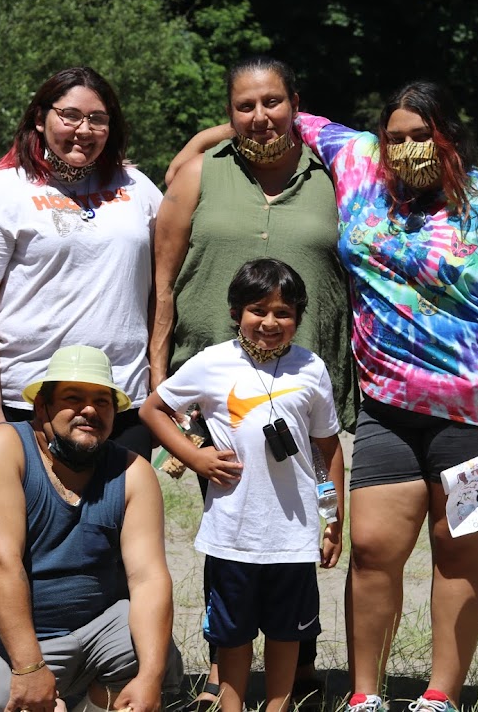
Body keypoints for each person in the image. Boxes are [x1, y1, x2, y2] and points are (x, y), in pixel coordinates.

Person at [175, 81, 478, 712]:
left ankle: (441, 694)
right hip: (385, 406)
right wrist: (203, 142)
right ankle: (366, 693)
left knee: (457, 548)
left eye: (420, 137)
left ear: (450, 138)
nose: (406, 149)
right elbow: (286, 119)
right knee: (374, 548)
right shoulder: (360, 164)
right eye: (396, 137)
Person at [151, 55, 357, 706]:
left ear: (297, 103)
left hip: (304, 376)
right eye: (245, 106)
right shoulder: (198, 173)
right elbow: (161, 283)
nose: (260, 116)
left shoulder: (337, 176)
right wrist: (160, 371)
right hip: (210, 382)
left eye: (272, 102)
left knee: (291, 513)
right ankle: (224, 674)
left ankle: (294, 670)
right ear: (228, 112)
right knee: (232, 525)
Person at [141, 259, 345, 712]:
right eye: (258, 310)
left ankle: (279, 703)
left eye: (284, 313)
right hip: (232, 534)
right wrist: (195, 456)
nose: (270, 322)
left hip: (292, 536)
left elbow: (327, 451)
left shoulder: (311, 369)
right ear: (237, 312)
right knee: (232, 634)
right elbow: (153, 410)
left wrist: (332, 517)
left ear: (298, 317)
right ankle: (231, 705)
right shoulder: (212, 362)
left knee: (286, 631)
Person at [0, 345, 184, 712]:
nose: (89, 410)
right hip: (5, 639)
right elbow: (0, 562)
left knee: (153, 655)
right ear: (42, 407)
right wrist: (29, 668)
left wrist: (150, 678)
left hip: (94, 631)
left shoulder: (132, 471)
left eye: (102, 402)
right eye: (73, 399)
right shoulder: (1, 448)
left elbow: (149, 578)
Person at [0, 66, 161, 458]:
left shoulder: (137, 187)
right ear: (40, 117)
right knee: (32, 519)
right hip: (31, 400)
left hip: (121, 400)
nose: (84, 129)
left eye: (98, 119)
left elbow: (164, 289)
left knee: (116, 518)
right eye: (70, 115)